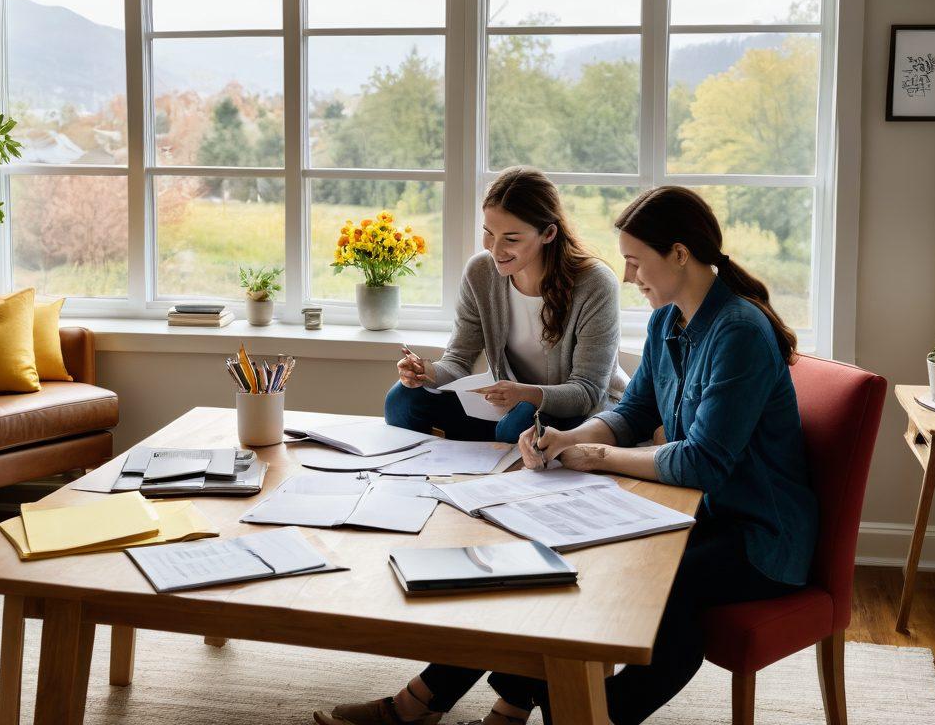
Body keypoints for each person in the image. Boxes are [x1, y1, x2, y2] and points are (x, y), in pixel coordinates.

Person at [316, 186, 818, 725]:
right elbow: (633, 412)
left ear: (678, 253)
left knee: (638, 598)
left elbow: (702, 462)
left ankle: (522, 707)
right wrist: (569, 439)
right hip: (697, 513)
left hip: (757, 535)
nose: (628, 276)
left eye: (635, 261)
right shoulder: (665, 322)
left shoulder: (738, 331)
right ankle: (474, 702)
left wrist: (597, 456)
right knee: (548, 559)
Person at [384, 166, 626, 445]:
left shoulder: (595, 283)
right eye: (489, 233)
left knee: (518, 423)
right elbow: (459, 360)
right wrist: (429, 373)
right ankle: (420, 475)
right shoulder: (481, 273)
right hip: (514, 409)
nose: (495, 250)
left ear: (548, 234)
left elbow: (587, 392)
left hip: (580, 415)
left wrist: (525, 394)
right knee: (401, 400)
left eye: (511, 239)